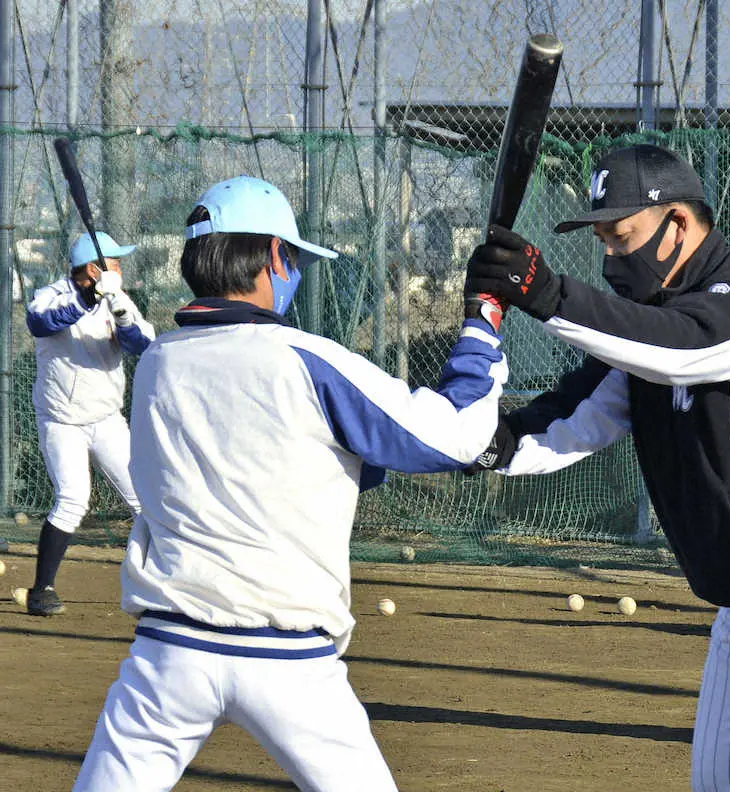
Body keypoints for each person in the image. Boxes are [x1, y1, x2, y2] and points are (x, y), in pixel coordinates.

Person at [463, 144, 730, 790]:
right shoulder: (649, 328)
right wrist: (479, 442)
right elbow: (576, 415)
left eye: (623, 236)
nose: (612, 256)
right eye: (605, 241)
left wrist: (548, 294)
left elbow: (682, 348)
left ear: (680, 224)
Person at [72, 176, 507, 792]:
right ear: (273, 257)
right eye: (294, 257)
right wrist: (483, 326)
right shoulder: (306, 357)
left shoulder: (158, 364)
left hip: (168, 655)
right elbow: (455, 436)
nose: (295, 270)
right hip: (289, 660)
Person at [25, 232, 154, 616]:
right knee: (72, 499)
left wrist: (122, 313)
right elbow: (40, 323)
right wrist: (88, 298)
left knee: (145, 500)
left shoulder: (118, 297)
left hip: (106, 418)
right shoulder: (50, 294)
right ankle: (41, 589)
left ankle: (160, 584)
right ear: (95, 269)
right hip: (62, 421)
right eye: (115, 263)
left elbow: (143, 346)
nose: (121, 269)